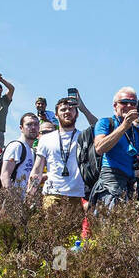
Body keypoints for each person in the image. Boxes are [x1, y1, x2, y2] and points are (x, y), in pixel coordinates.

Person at [28, 97, 89, 230]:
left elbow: (98, 127)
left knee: (72, 240)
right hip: (52, 195)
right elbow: (37, 169)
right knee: (50, 236)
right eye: (63, 109)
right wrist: (30, 194)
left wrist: (83, 108)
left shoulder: (84, 137)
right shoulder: (46, 139)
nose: (67, 112)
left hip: (76, 195)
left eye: (71, 109)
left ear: (77, 113)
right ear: (56, 114)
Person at [89, 88, 139, 210]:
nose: (129, 106)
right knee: (110, 226)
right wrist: (124, 125)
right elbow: (100, 148)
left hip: (129, 184)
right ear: (115, 106)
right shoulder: (105, 123)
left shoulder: (136, 131)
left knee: (124, 225)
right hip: (111, 181)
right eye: (124, 102)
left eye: (133, 104)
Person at [0, 112, 39, 191]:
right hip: (14, 200)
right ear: (21, 128)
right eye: (29, 124)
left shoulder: (32, 151)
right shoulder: (16, 146)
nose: (33, 127)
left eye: (36, 124)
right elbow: (5, 176)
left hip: (25, 200)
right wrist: (13, 200)